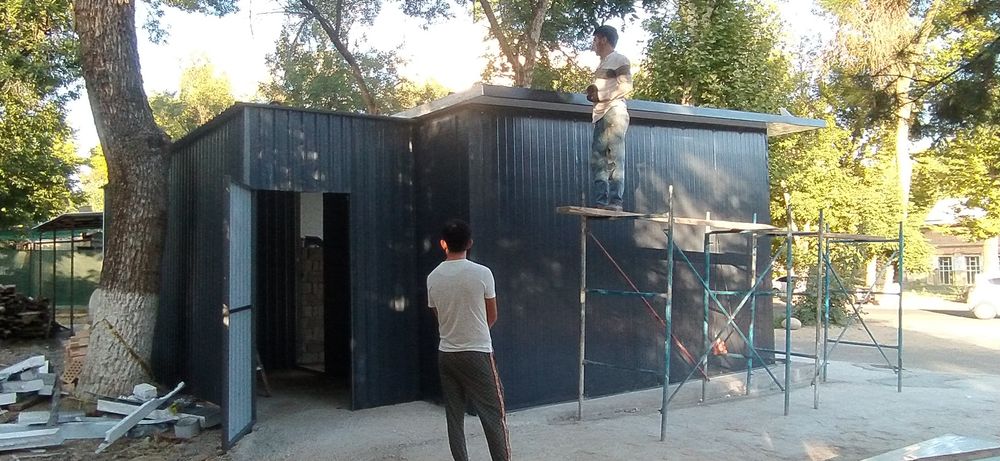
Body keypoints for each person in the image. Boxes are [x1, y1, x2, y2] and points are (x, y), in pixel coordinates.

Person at [427, 219, 510, 461]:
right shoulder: (482, 273)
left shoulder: (433, 277)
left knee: (454, 417)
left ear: (443, 244)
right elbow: (492, 315)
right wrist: (476, 331)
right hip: (477, 352)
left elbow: (438, 314)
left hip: (447, 353)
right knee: (494, 414)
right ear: (470, 243)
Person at [586, 25, 633, 212]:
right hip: (599, 115)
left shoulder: (619, 59)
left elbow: (626, 86)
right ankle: (602, 202)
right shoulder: (602, 64)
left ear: (603, 39)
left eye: (595, 39)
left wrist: (602, 96)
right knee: (598, 160)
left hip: (614, 111)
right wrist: (594, 96)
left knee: (614, 157)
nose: (594, 44)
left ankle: (615, 201)